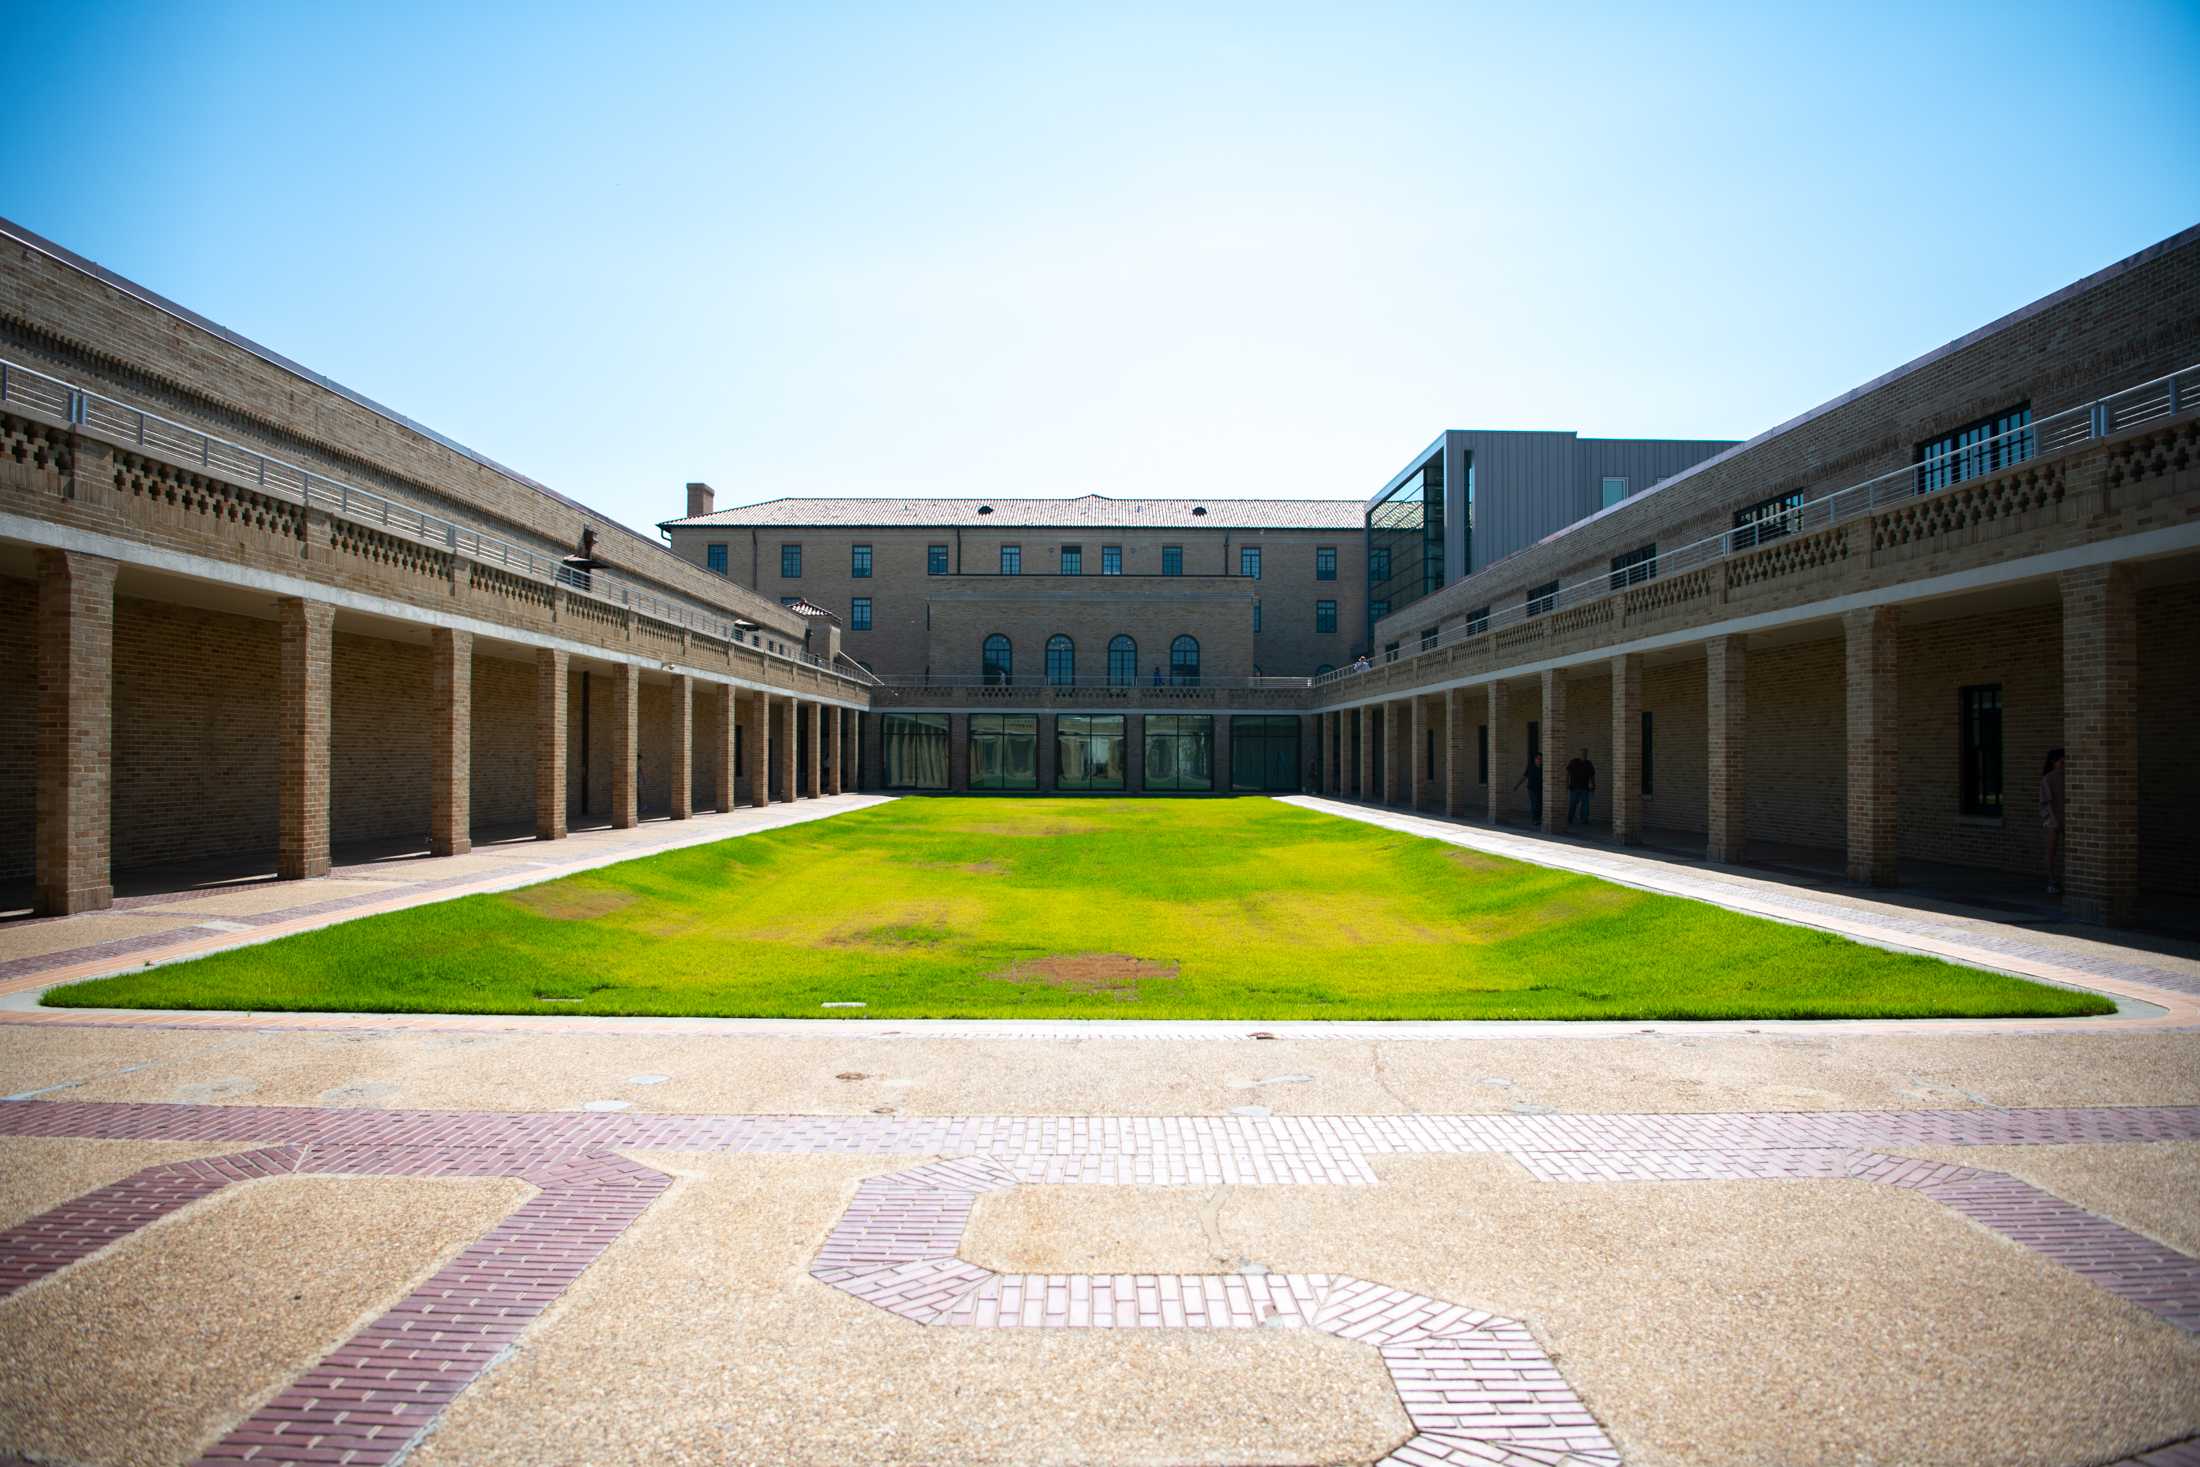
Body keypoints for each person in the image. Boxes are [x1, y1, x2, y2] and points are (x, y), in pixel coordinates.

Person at [2040, 747, 2066, 896]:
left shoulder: (2069, 776)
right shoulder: (2048, 778)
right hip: (2052, 818)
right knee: (2051, 850)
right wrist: (2054, 820)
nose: (2063, 764)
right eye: (2060, 761)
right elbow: (2047, 802)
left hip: (2066, 816)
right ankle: (2051, 880)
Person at [1565, 747, 1596, 827]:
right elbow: (1568, 773)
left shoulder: (1589, 764)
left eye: (1585, 753)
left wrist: (1593, 785)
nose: (1584, 755)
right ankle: (1570, 819)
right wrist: (1567, 783)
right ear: (1579, 754)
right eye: (1582, 753)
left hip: (1584, 788)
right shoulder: (1573, 762)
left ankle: (1584, 819)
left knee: (1585, 805)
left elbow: (1592, 775)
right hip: (1574, 787)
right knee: (1573, 804)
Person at [1513, 750, 1544, 826]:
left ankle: (1539, 819)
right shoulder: (1531, 767)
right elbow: (1524, 777)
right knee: (1535, 804)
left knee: (1540, 804)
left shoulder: (1544, 768)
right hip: (1532, 789)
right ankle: (1535, 820)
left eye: (1541, 759)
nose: (1540, 760)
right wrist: (1517, 785)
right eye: (1538, 758)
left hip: (1541, 789)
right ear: (1535, 759)